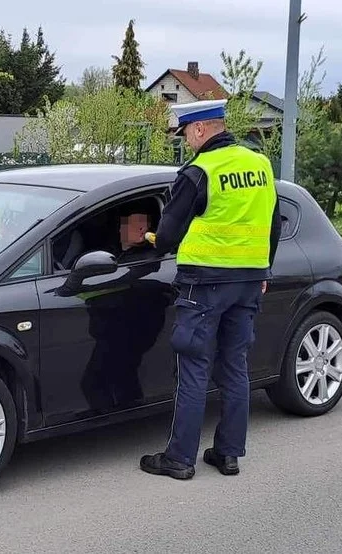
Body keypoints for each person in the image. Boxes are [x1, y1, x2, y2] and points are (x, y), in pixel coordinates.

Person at [138, 99, 282, 479]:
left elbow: (168, 235)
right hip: (250, 281)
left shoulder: (200, 170)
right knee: (235, 366)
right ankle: (228, 454)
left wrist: (150, 238)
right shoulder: (260, 165)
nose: (186, 140)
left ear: (200, 129)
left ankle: (180, 459)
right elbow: (273, 224)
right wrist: (263, 268)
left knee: (194, 368)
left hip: (205, 284)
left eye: (186, 132)